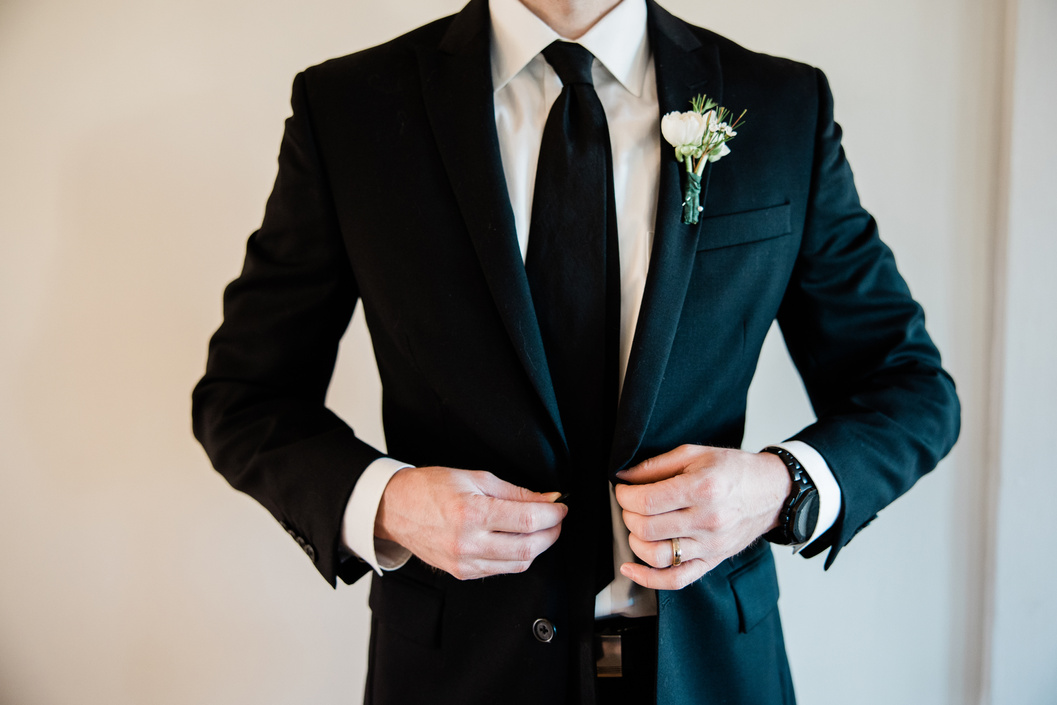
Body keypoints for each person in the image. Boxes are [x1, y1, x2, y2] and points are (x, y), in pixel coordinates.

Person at [192, 0, 960, 702]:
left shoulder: (784, 107)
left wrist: (777, 487)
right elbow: (244, 394)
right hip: (456, 670)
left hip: (707, 669)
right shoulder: (350, 109)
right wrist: (387, 503)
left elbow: (908, 389)